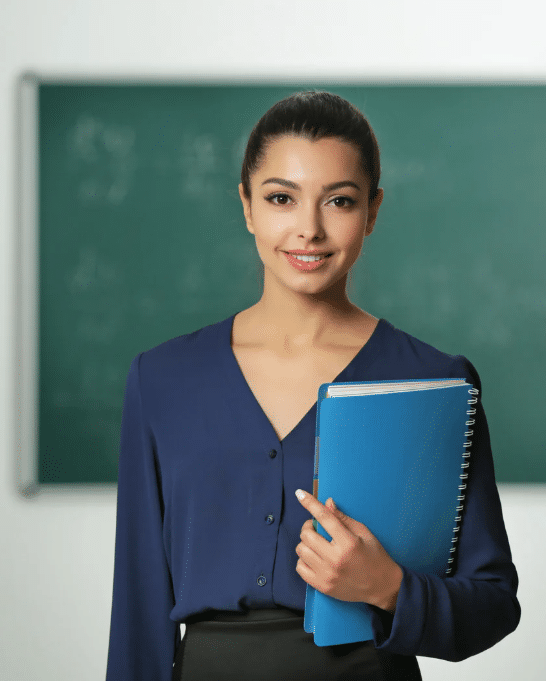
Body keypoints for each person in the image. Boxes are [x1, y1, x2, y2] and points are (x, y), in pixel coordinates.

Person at [105, 91, 519, 681]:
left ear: (372, 211)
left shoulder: (435, 381)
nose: (309, 229)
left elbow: (492, 603)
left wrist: (390, 587)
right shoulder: (163, 378)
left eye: (340, 201)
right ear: (247, 206)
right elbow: (139, 606)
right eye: (281, 198)